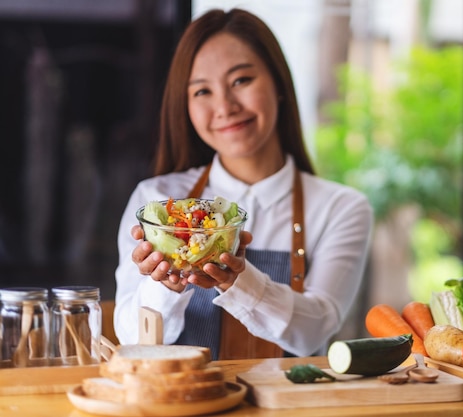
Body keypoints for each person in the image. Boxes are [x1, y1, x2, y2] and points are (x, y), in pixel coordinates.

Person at [114, 8, 373, 359]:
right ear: (186, 106)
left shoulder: (341, 208)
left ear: (279, 84)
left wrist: (238, 279)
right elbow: (133, 340)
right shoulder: (156, 201)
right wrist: (166, 286)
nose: (225, 106)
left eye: (241, 81)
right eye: (202, 91)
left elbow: (314, 332)